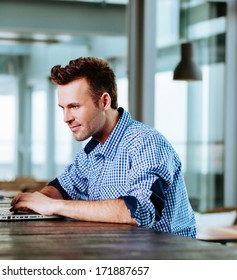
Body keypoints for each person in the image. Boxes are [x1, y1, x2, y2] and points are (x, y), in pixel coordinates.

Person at [11, 57, 196, 239]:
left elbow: (140, 212)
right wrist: (37, 202)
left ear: (104, 102)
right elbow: (61, 188)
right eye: (63, 108)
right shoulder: (92, 151)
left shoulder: (146, 142)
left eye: (74, 106)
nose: (66, 118)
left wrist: (55, 206)